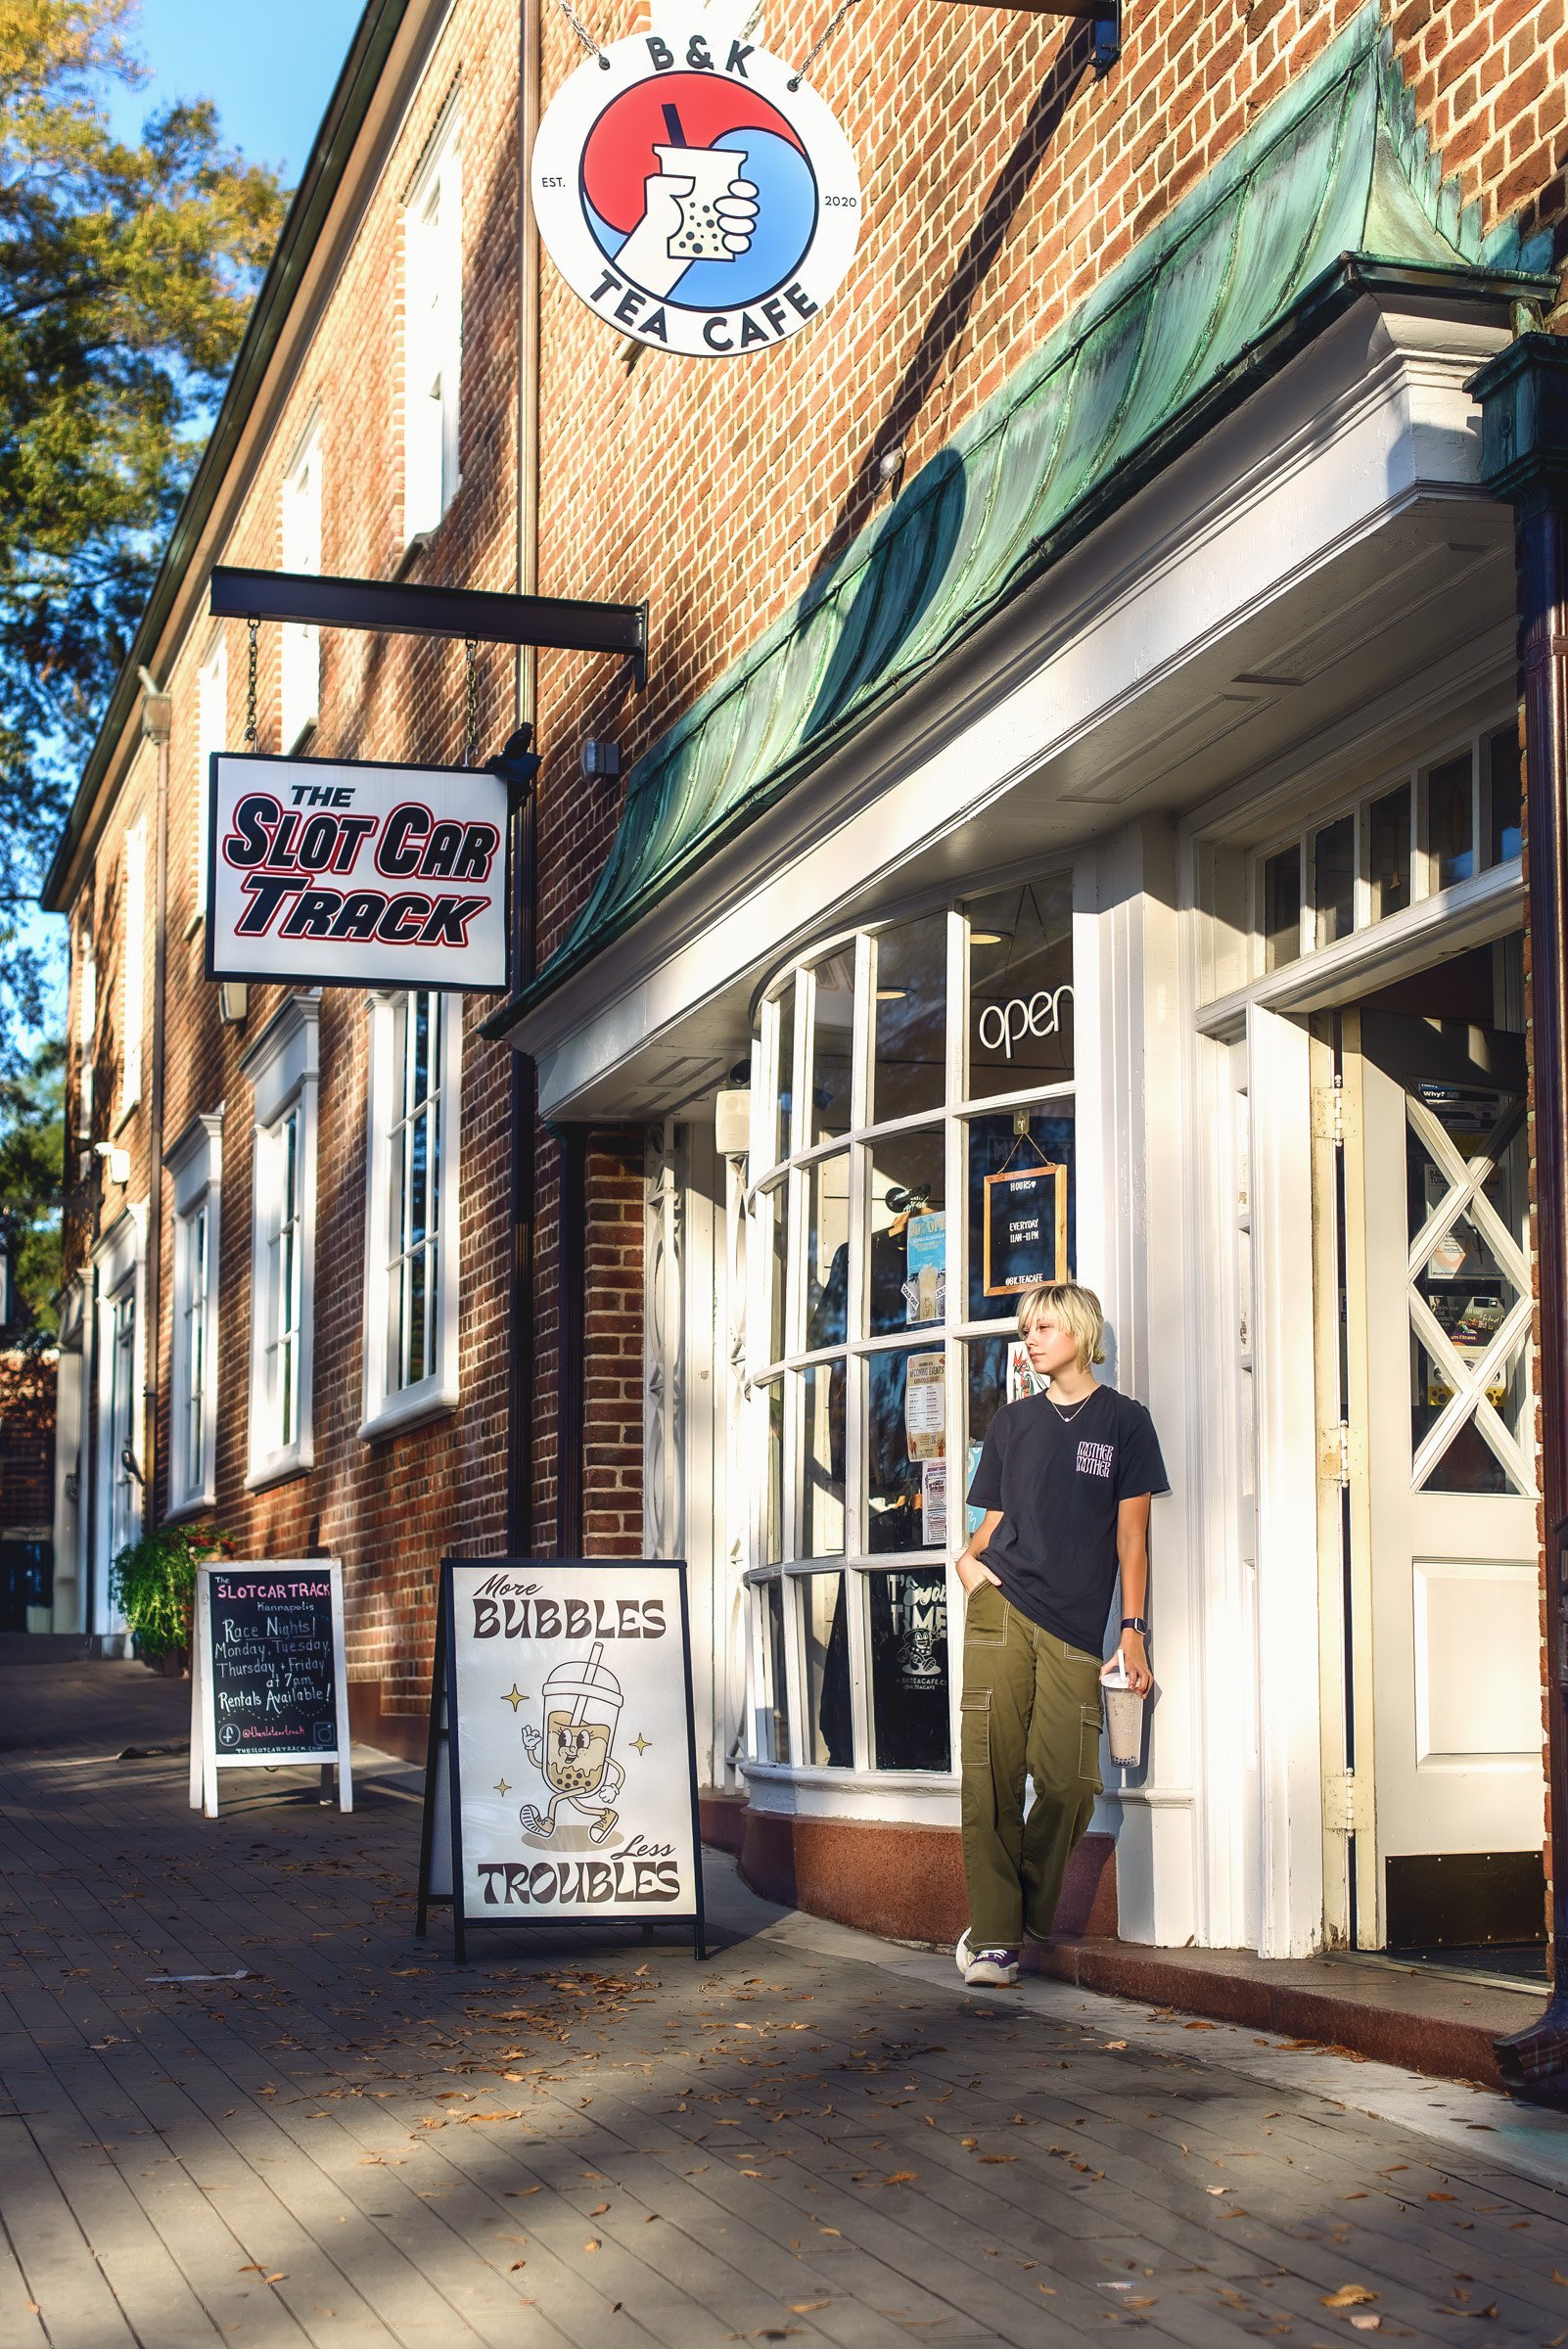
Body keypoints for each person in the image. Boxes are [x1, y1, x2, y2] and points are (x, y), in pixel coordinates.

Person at [954, 1280, 1168, 1988]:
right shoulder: (1013, 1424)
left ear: (1080, 1332)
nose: (1031, 1339)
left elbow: (1132, 1540)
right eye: (1026, 1330)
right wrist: (967, 1563)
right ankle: (994, 1943)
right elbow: (989, 1526)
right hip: (1002, 1610)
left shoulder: (1124, 1424)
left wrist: (1132, 1630)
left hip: (1077, 1627)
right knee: (990, 1773)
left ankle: (1013, 1911)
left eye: (1044, 1326)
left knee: (1073, 1783)